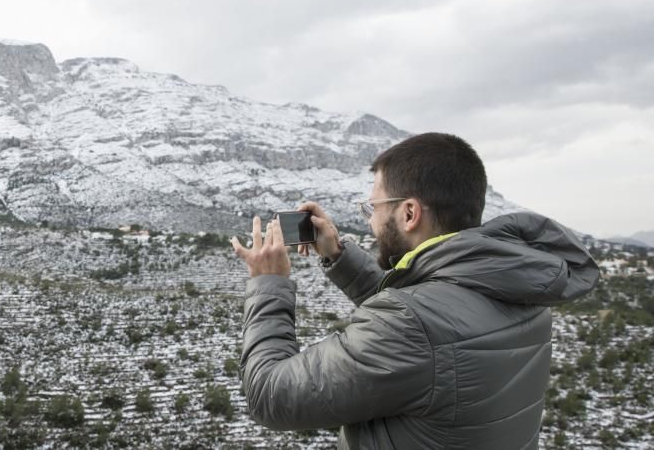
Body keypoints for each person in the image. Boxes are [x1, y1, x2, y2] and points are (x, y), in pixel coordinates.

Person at [231, 132, 600, 449]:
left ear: (409, 213)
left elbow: (268, 395)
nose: (371, 218)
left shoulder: (412, 323)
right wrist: (338, 255)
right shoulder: (520, 285)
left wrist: (269, 282)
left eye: (372, 206)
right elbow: (434, 323)